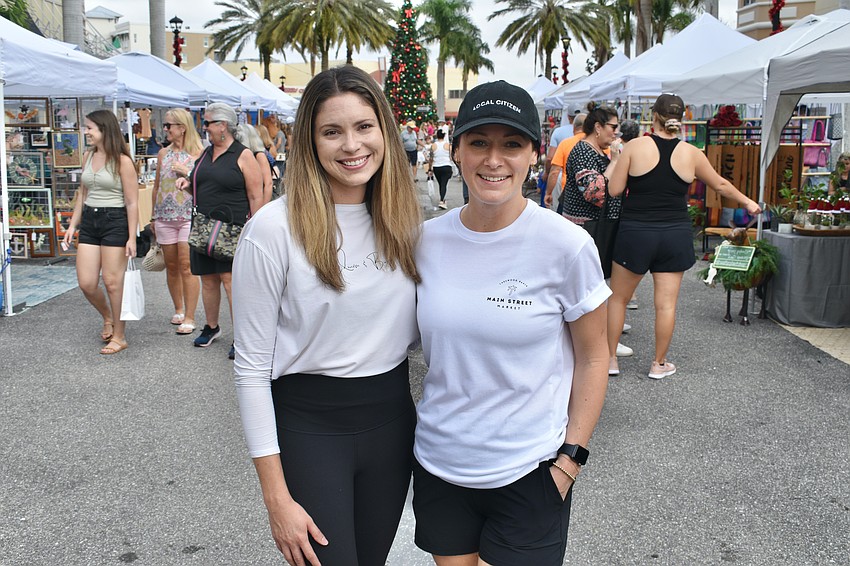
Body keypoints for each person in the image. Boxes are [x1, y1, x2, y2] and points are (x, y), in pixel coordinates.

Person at [413, 80, 610, 566]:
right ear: (455, 150)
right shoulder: (424, 241)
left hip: (531, 469)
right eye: (479, 142)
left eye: (511, 144)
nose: (493, 159)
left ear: (534, 156)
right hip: (442, 464)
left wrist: (570, 461)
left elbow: (594, 355)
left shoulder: (566, 245)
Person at [232, 66, 422, 566]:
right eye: (331, 131)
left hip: (392, 422)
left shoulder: (407, 224)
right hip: (310, 429)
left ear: (384, 130)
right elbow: (251, 368)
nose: (351, 145)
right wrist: (276, 499)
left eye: (364, 127)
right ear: (310, 143)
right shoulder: (272, 230)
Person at [606, 94, 761, 379]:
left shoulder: (635, 147)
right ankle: (659, 364)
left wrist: (617, 159)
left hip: (636, 233)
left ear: (653, 116)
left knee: (618, 299)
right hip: (674, 235)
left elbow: (614, 190)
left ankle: (610, 360)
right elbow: (721, 185)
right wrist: (748, 202)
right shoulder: (692, 153)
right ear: (684, 116)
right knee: (665, 304)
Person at [177, 103, 265, 360]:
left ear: (223, 126)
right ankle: (212, 326)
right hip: (204, 229)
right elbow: (200, 186)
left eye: (207, 123)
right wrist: (187, 185)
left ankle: (242, 336)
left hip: (232, 228)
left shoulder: (243, 154)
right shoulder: (206, 154)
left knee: (230, 281)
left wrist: (255, 230)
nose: (203, 128)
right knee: (208, 279)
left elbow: (255, 194)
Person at [63, 110, 138, 355]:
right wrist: (73, 225)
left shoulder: (123, 161)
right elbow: (82, 194)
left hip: (114, 219)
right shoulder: (88, 155)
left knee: (113, 282)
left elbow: (131, 202)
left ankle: (120, 335)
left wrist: (131, 237)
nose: (86, 132)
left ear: (105, 130)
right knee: (86, 282)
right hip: (91, 220)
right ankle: (108, 316)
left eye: (90, 128)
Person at [561, 103, 633, 358]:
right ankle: (597, 340)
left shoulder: (594, 150)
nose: (616, 132)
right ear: (598, 127)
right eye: (613, 127)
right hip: (586, 226)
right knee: (589, 284)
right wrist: (615, 161)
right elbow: (595, 192)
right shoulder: (583, 151)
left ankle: (605, 330)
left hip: (597, 225)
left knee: (596, 281)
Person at [150, 108, 203, 335]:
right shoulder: (163, 154)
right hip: (164, 215)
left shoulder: (200, 153)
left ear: (182, 128)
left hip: (187, 215)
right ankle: (179, 308)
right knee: (171, 266)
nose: (165, 129)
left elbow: (204, 187)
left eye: (169, 125)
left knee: (186, 265)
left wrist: (187, 174)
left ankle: (190, 316)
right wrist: (153, 215)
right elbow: (156, 186)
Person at [544, 113, 587, 211]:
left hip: (568, 194)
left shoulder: (565, 144)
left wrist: (549, 192)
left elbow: (555, 172)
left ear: (574, 128)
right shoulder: (597, 144)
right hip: (590, 196)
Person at [235, 123, 274, 203]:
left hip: (259, 203)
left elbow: (268, 184)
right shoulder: (245, 155)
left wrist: (262, 208)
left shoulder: (259, 155)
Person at [429, 129, 453, 210]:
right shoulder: (448, 145)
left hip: (436, 166)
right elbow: (451, 157)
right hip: (446, 165)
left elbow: (431, 157)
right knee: (444, 183)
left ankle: (442, 198)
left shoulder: (433, 145)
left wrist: (429, 168)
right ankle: (442, 200)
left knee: (441, 183)